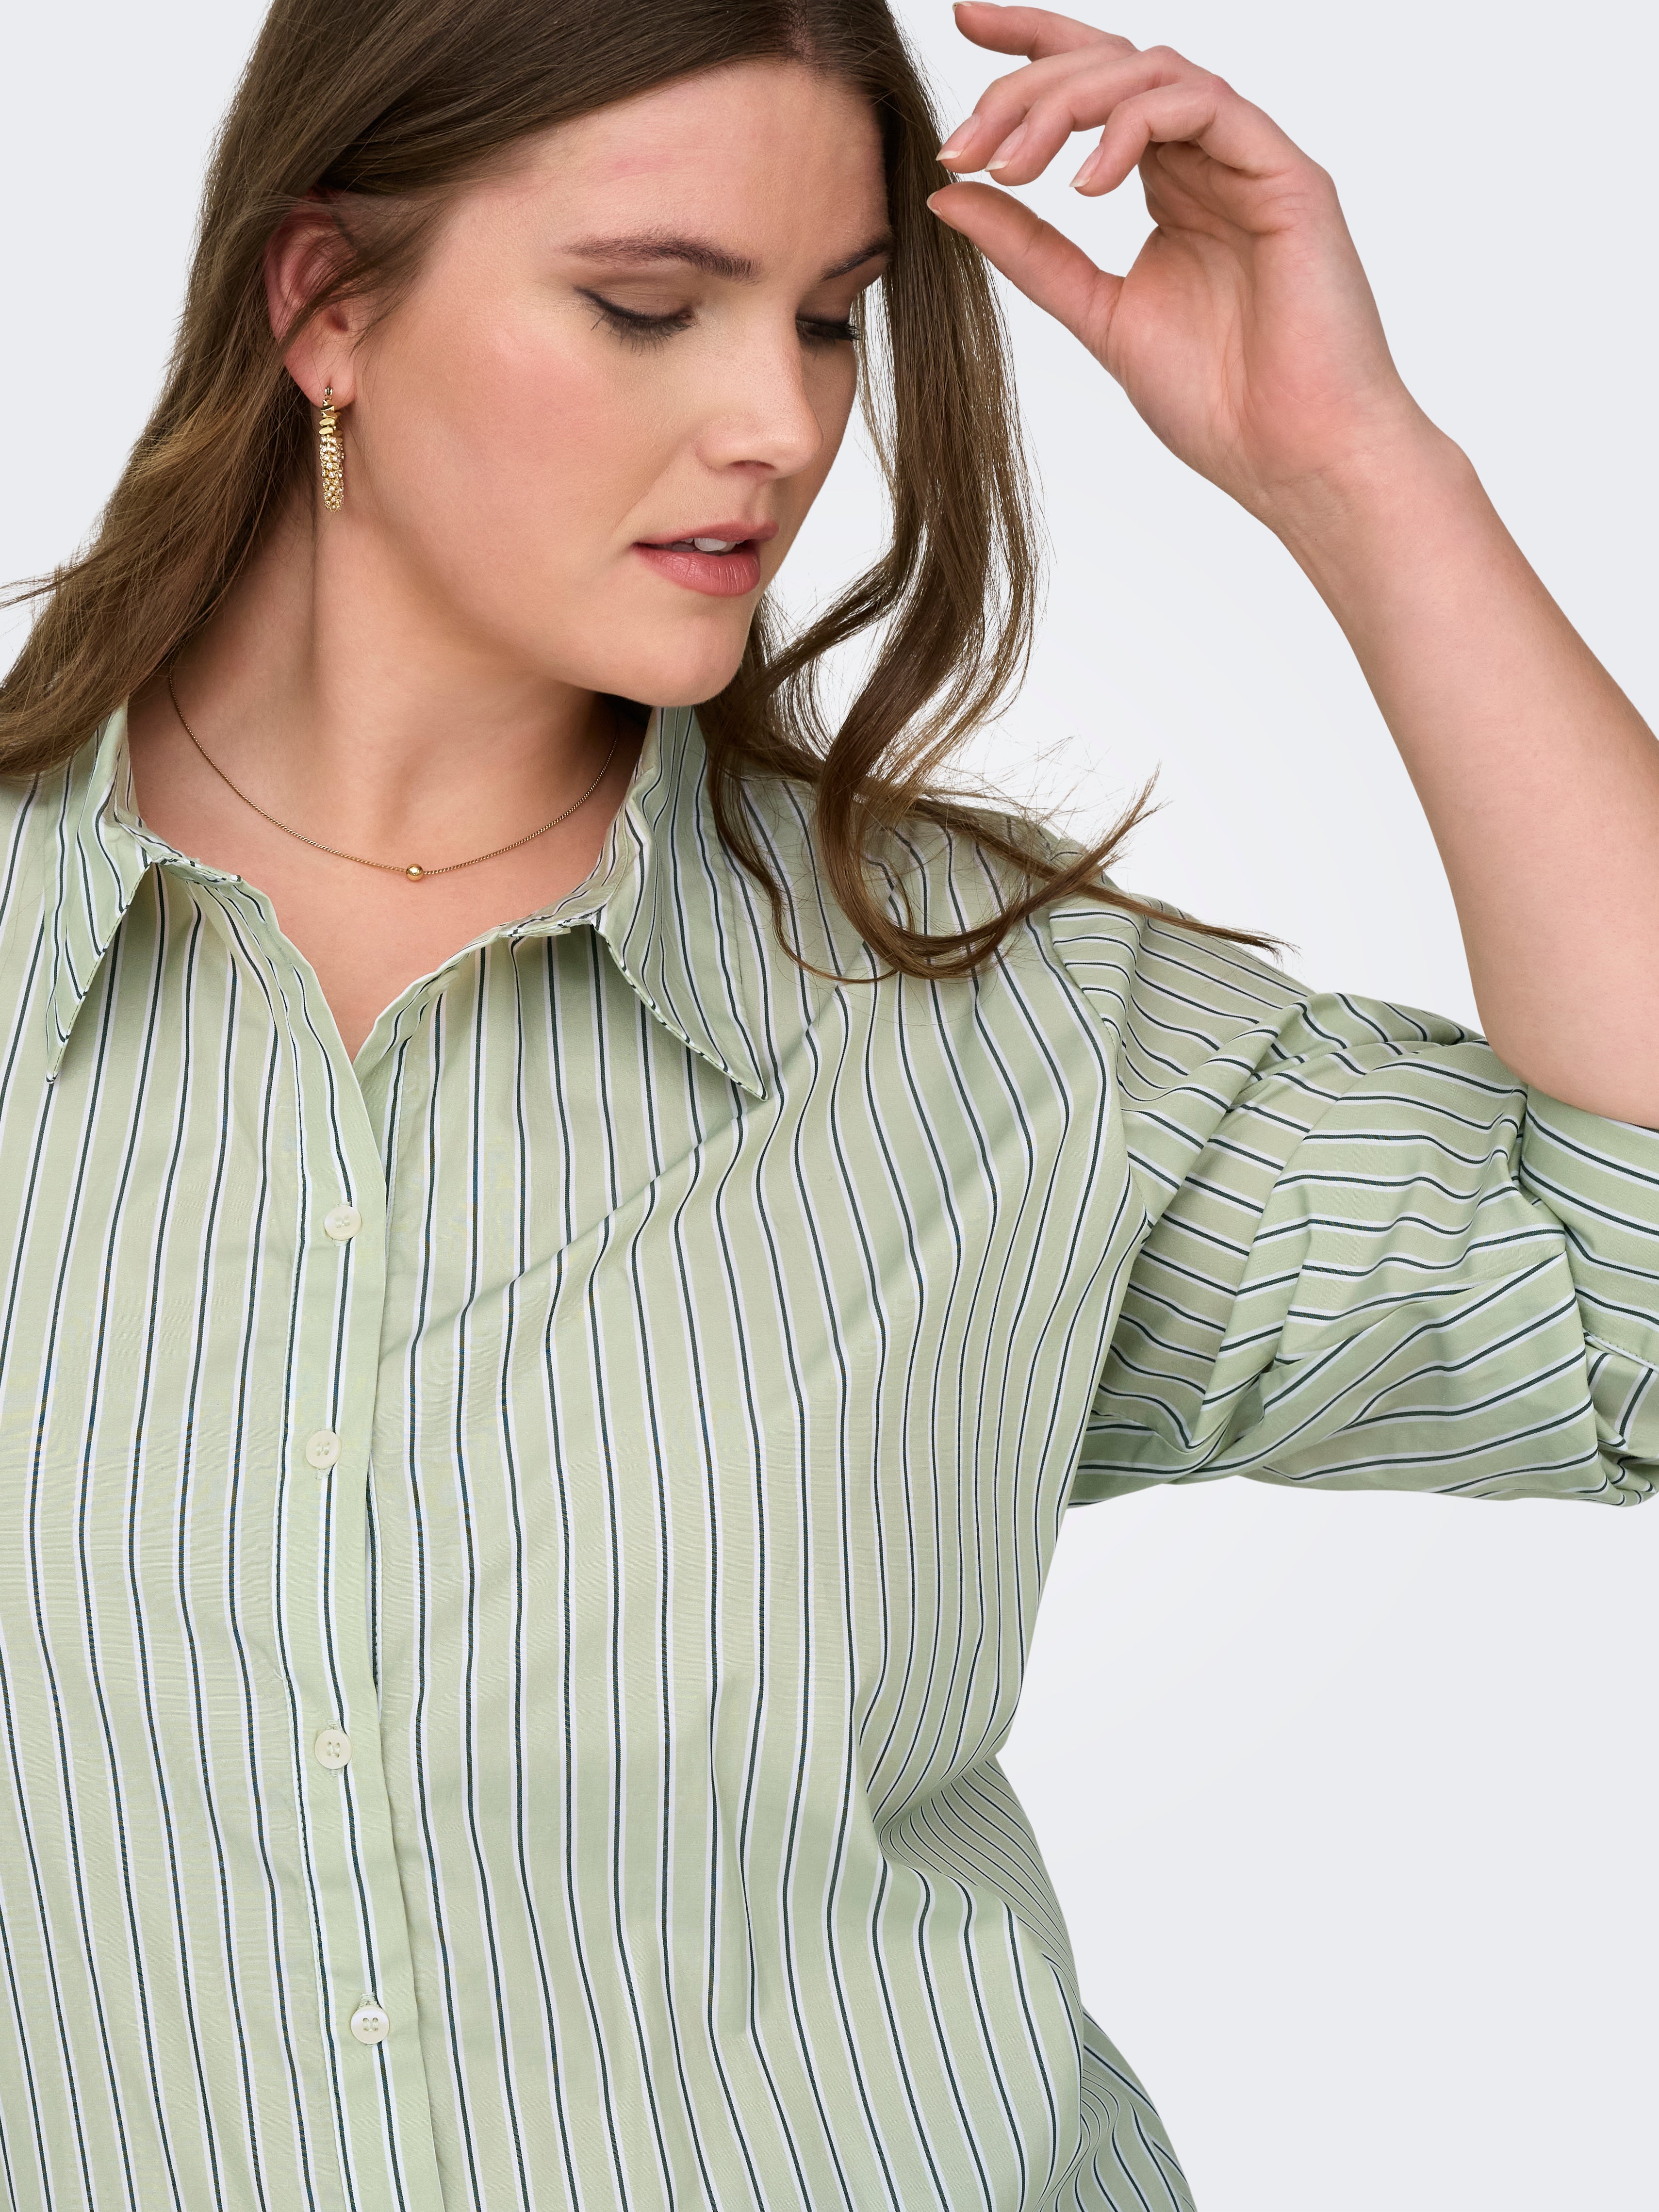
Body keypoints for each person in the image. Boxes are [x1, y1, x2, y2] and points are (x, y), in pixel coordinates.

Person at [0, 1, 1652, 2205]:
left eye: (828, 319)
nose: (779, 425)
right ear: (326, 305)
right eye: (646, 307)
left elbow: (1632, 1305)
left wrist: (1361, 475)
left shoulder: (1000, 1023)